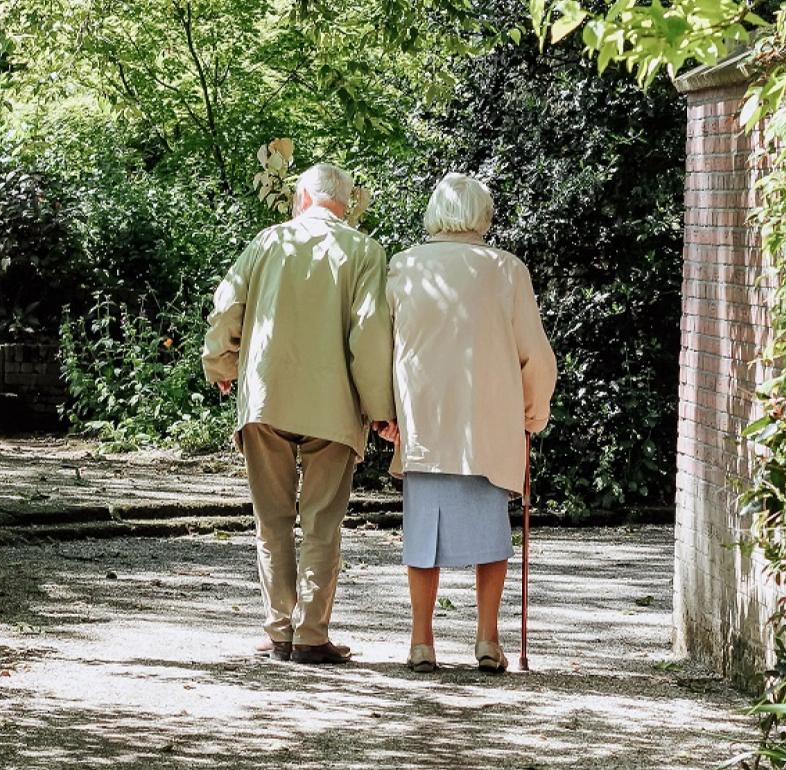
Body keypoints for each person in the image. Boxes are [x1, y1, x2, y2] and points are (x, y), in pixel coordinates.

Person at [202, 163, 396, 665]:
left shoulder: (267, 243)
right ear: (345, 203)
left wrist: (220, 363)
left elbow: (228, 308)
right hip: (334, 405)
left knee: (272, 520)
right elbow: (370, 334)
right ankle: (311, 635)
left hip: (267, 398)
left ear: (302, 198)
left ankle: (278, 630)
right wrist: (380, 410)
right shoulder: (364, 251)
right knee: (322, 522)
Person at [383, 172, 557, 673]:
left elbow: (383, 347)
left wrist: (385, 412)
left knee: (422, 535)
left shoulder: (405, 266)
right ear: (483, 215)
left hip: (425, 420)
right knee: (490, 534)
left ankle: (421, 641)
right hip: (488, 422)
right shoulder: (506, 270)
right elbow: (536, 357)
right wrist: (532, 411)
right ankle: (486, 638)